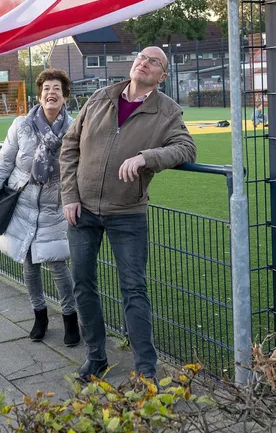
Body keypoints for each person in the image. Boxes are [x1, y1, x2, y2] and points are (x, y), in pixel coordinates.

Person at [60, 47, 197, 383]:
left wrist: (146, 157)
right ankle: (96, 358)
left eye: (154, 62)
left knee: (134, 290)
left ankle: (145, 370)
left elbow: (186, 148)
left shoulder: (167, 112)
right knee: (82, 284)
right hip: (83, 210)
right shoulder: (100, 97)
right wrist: (69, 195)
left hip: (127, 214)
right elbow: (70, 145)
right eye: (141, 57)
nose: (144, 63)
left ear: (162, 76)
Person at [0, 69, 80, 347]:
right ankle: (40, 315)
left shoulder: (74, 129)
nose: (51, 93)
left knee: (57, 264)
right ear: (40, 94)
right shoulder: (21, 126)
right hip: (22, 205)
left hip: (54, 206)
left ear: (65, 95)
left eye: (57, 88)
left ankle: (71, 318)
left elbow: (79, 169)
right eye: (46, 88)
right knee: (28, 263)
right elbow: (3, 164)